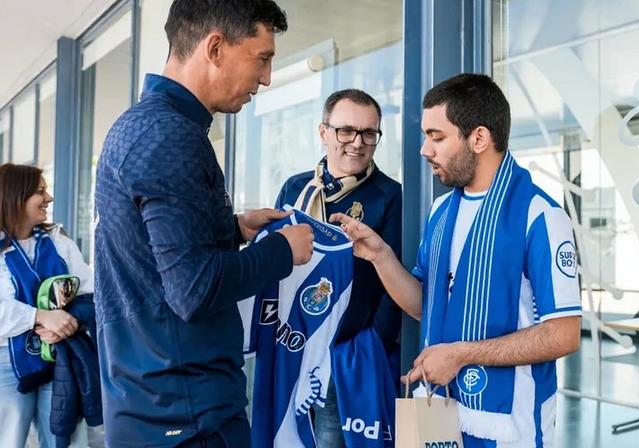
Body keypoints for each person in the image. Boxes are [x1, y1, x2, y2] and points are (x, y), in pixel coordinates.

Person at [93, 1, 314, 447]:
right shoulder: (170, 138)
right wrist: (282, 251)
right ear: (215, 47)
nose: (266, 78)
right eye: (263, 58)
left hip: (151, 405)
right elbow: (193, 289)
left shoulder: (137, 127)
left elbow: (151, 255)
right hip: (187, 418)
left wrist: (234, 230)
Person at [333, 73, 582, 448]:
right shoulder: (442, 210)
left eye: (437, 137)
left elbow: (563, 334)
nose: (424, 150)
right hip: (441, 413)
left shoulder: (540, 216)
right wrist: (381, 256)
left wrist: (461, 354)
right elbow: (424, 304)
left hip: (507, 427)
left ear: (478, 138)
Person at [274, 89, 402, 447]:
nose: (357, 143)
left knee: (332, 441)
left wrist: (373, 339)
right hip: (292, 344)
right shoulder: (296, 187)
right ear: (323, 132)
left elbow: (397, 279)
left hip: (343, 352)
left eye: (368, 133)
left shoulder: (390, 195)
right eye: (346, 131)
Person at [0, 163, 92, 447]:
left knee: (64, 440)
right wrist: (41, 316)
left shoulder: (59, 242)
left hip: (60, 357)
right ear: (16, 196)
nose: (49, 199)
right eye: (40, 191)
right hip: (5, 362)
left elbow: (89, 294)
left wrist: (68, 322)